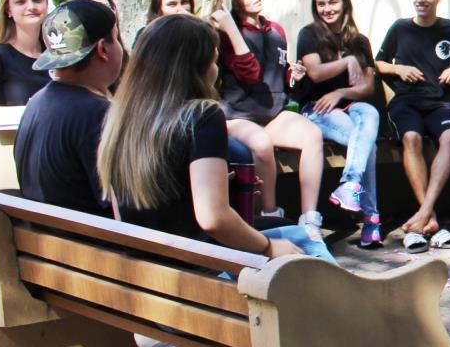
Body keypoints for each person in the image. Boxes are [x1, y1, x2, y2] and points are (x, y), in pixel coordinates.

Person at [97, 15, 332, 263]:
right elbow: (213, 218)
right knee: (304, 238)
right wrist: (269, 248)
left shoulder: (121, 120)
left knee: (281, 226)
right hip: (201, 272)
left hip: (152, 270)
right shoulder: (203, 116)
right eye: (214, 59)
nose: (217, 69)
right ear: (195, 68)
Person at [207, 0, 326, 241]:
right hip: (237, 114)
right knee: (260, 143)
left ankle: (309, 220)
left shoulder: (275, 30)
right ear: (233, 2)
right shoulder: (225, 36)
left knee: (312, 135)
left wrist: (292, 75)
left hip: (272, 112)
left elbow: (275, 75)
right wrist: (230, 28)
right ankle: (271, 217)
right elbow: (249, 74)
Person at [376, 0, 450, 250]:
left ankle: (423, 216)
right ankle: (431, 219)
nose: (421, 0)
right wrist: (398, 68)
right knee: (411, 139)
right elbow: (377, 63)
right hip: (406, 102)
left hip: (439, 102)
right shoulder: (400, 28)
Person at [12, 1, 126, 216]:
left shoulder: (35, 103)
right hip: (90, 247)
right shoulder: (98, 114)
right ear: (103, 49)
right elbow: (121, 205)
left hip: (44, 244)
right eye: (117, 37)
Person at [295, 0, 383, 249]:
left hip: (349, 106)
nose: (327, 9)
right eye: (321, 4)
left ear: (344, 3)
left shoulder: (360, 41)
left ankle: (351, 183)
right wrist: (347, 61)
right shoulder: (308, 34)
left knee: (369, 112)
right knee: (367, 144)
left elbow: (367, 88)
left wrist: (341, 93)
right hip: (317, 109)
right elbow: (315, 73)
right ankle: (371, 218)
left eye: (332, 2)